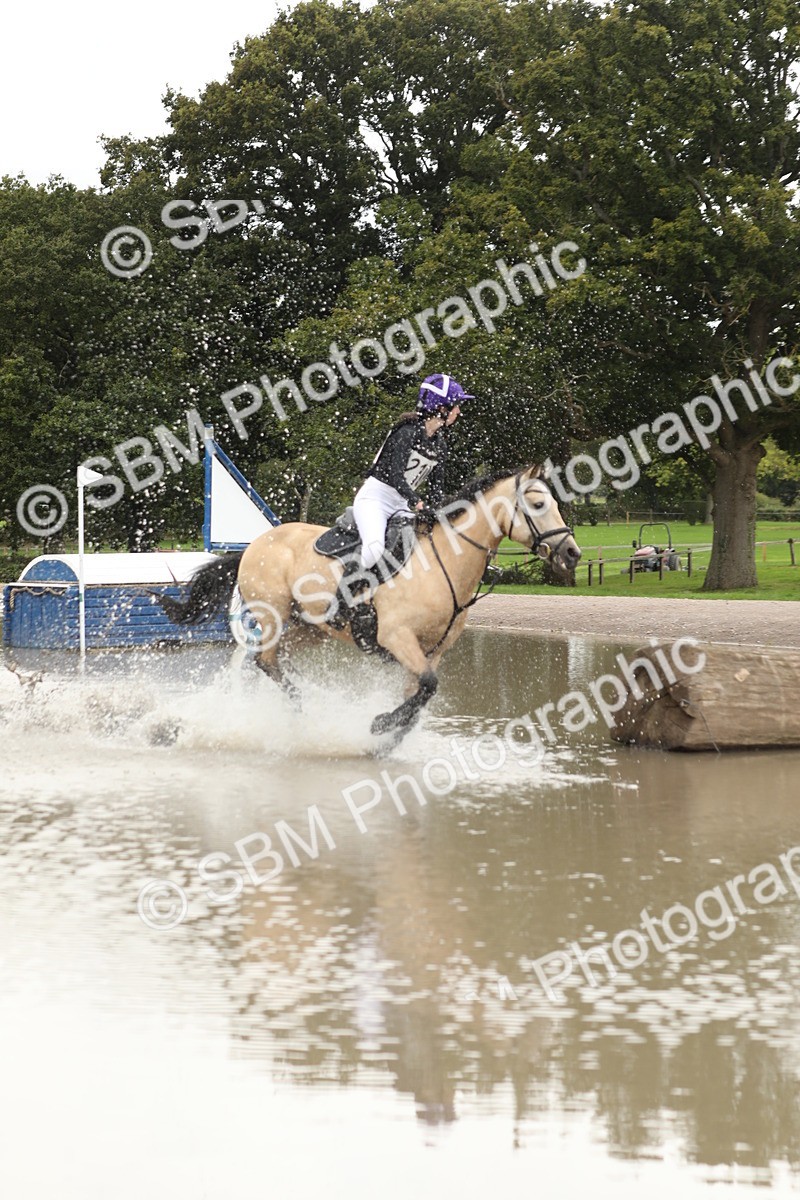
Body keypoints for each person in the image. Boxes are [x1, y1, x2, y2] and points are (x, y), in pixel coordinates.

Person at [328, 373, 473, 627]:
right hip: (376, 498)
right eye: (456, 405)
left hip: (402, 504)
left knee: (416, 553)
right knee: (374, 548)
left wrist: (437, 510)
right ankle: (338, 604)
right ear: (441, 407)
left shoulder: (440, 443)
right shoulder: (406, 433)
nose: (458, 412)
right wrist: (417, 503)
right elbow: (396, 476)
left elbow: (437, 487)